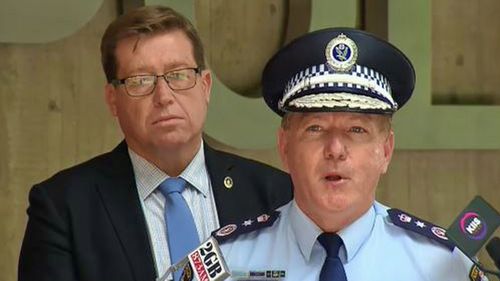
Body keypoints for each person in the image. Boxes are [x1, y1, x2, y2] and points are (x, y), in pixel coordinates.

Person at [18, 5, 292, 281]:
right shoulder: (63, 209)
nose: (164, 96)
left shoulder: (277, 196)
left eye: (178, 75)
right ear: (113, 100)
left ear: (205, 87)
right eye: (140, 81)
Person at [212, 28, 488, 281]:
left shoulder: (443, 267)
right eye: (315, 128)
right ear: (285, 146)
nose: (335, 150)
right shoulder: (226, 260)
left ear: (386, 151)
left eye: (356, 130)